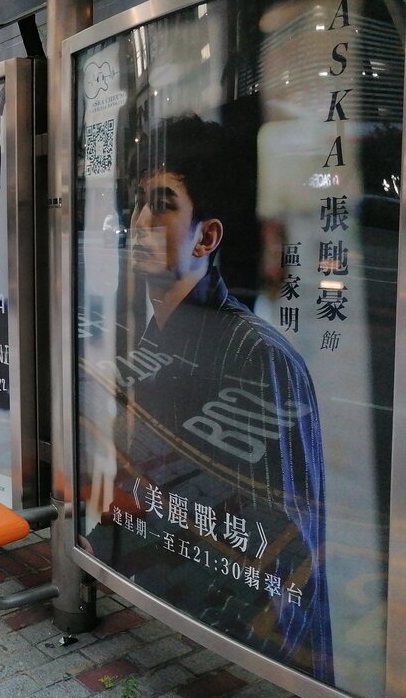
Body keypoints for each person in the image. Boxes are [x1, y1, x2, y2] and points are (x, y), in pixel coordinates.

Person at [86, 114, 331, 680]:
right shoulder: (146, 336)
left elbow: (289, 555)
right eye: (137, 204)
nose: (140, 222)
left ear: (209, 236)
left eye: (163, 204)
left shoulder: (258, 355)